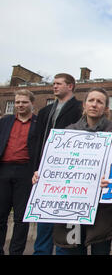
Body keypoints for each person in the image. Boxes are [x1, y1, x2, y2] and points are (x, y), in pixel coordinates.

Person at [32, 88, 112, 255]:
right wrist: (44, 175)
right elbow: (57, 164)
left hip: (102, 207)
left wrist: (111, 177)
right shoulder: (68, 132)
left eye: (99, 102)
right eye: (91, 100)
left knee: (101, 249)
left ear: (106, 108)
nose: (94, 105)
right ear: (84, 104)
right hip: (72, 207)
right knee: (72, 248)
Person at [31, 73, 83, 255]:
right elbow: (37, 141)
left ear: (70, 86)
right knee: (44, 221)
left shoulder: (80, 109)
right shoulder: (45, 112)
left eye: (59, 84)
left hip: (71, 174)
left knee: (68, 224)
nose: (54, 86)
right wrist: (36, 167)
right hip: (46, 171)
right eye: (53, 84)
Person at [0, 90, 37, 255]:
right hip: (4, 170)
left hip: (26, 171)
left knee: (21, 218)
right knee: (0, 215)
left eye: (24, 102)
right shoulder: (5, 121)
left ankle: (16, 252)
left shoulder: (38, 122)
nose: (20, 105)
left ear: (31, 103)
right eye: (17, 102)